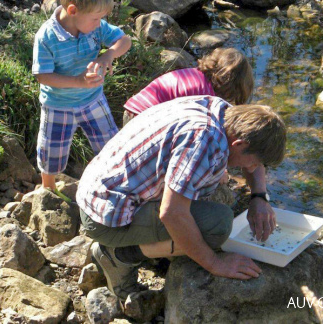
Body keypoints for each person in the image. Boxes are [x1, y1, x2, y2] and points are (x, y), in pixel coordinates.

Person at [76, 95, 287, 301]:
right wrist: (215, 263)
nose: (251, 168)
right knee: (218, 224)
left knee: (213, 195)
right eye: (253, 162)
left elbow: (252, 162)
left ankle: (153, 247)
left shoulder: (223, 112)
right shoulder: (203, 140)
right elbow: (171, 213)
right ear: (239, 144)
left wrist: (259, 196)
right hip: (105, 218)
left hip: (100, 190)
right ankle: (119, 255)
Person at [32, 0, 131, 200]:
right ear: (73, 11)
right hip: (58, 105)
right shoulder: (46, 36)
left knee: (110, 143)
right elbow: (43, 76)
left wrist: (108, 54)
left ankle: (117, 183)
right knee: (52, 148)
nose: (99, 23)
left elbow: (125, 41)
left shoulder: (95, 26)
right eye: (96, 18)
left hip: (93, 99)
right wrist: (78, 81)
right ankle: (48, 189)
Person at [122, 47, 254, 125]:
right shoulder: (206, 96)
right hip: (143, 119)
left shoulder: (194, 74)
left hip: (133, 109)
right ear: (236, 86)